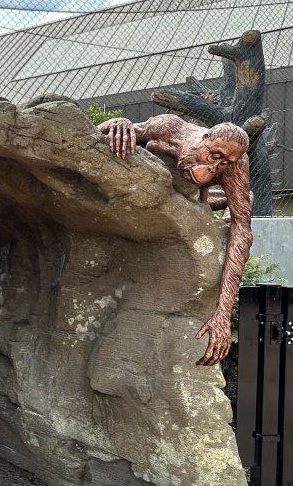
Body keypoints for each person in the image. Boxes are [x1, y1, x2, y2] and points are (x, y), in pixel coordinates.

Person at [99, 112, 253, 365]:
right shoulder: (170, 128)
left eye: (224, 163)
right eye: (214, 156)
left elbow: (242, 231)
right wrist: (117, 123)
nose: (215, 168)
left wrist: (222, 314)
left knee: (239, 202)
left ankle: (235, 200)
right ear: (205, 138)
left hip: (189, 206)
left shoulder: (235, 163)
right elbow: (101, 132)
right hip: (145, 196)